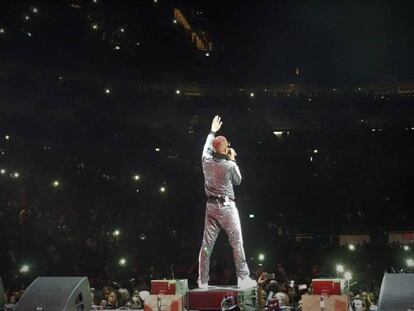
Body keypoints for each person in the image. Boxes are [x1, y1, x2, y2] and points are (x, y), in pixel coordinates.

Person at [197, 115, 256, 289]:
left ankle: (203, 280)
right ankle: (243, 278)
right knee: (236, 242)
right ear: (225, 150)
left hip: (211, 207)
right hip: (227, 207)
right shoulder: (229, 165)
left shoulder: (206, 160)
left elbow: (206, 147)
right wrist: (233, 159)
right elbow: (238, 180)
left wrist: (212, 131)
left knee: (206, 245)